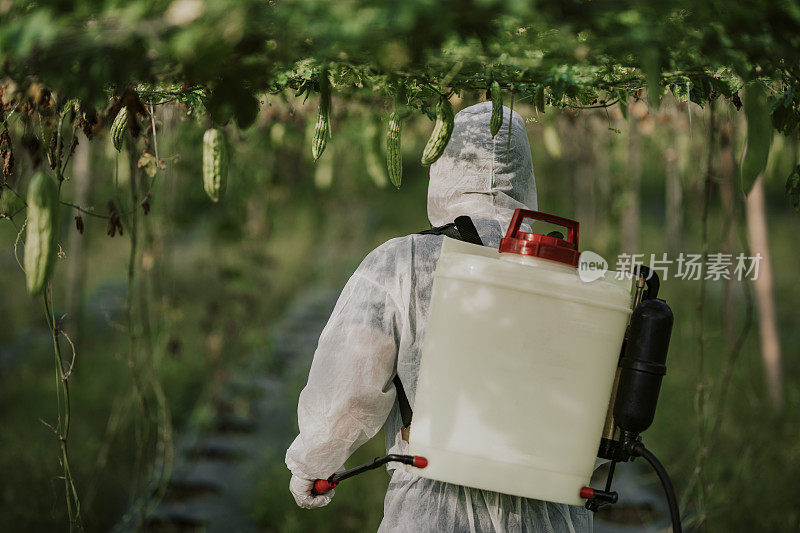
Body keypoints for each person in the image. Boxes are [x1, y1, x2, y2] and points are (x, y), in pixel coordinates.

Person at [286, 102, 591, 532]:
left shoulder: (404, 261)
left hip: (433, 511)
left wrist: (311, 466)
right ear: (524, 171)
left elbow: (348, 386)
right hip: (547, 514)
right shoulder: (573, 273)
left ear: (444, 163)